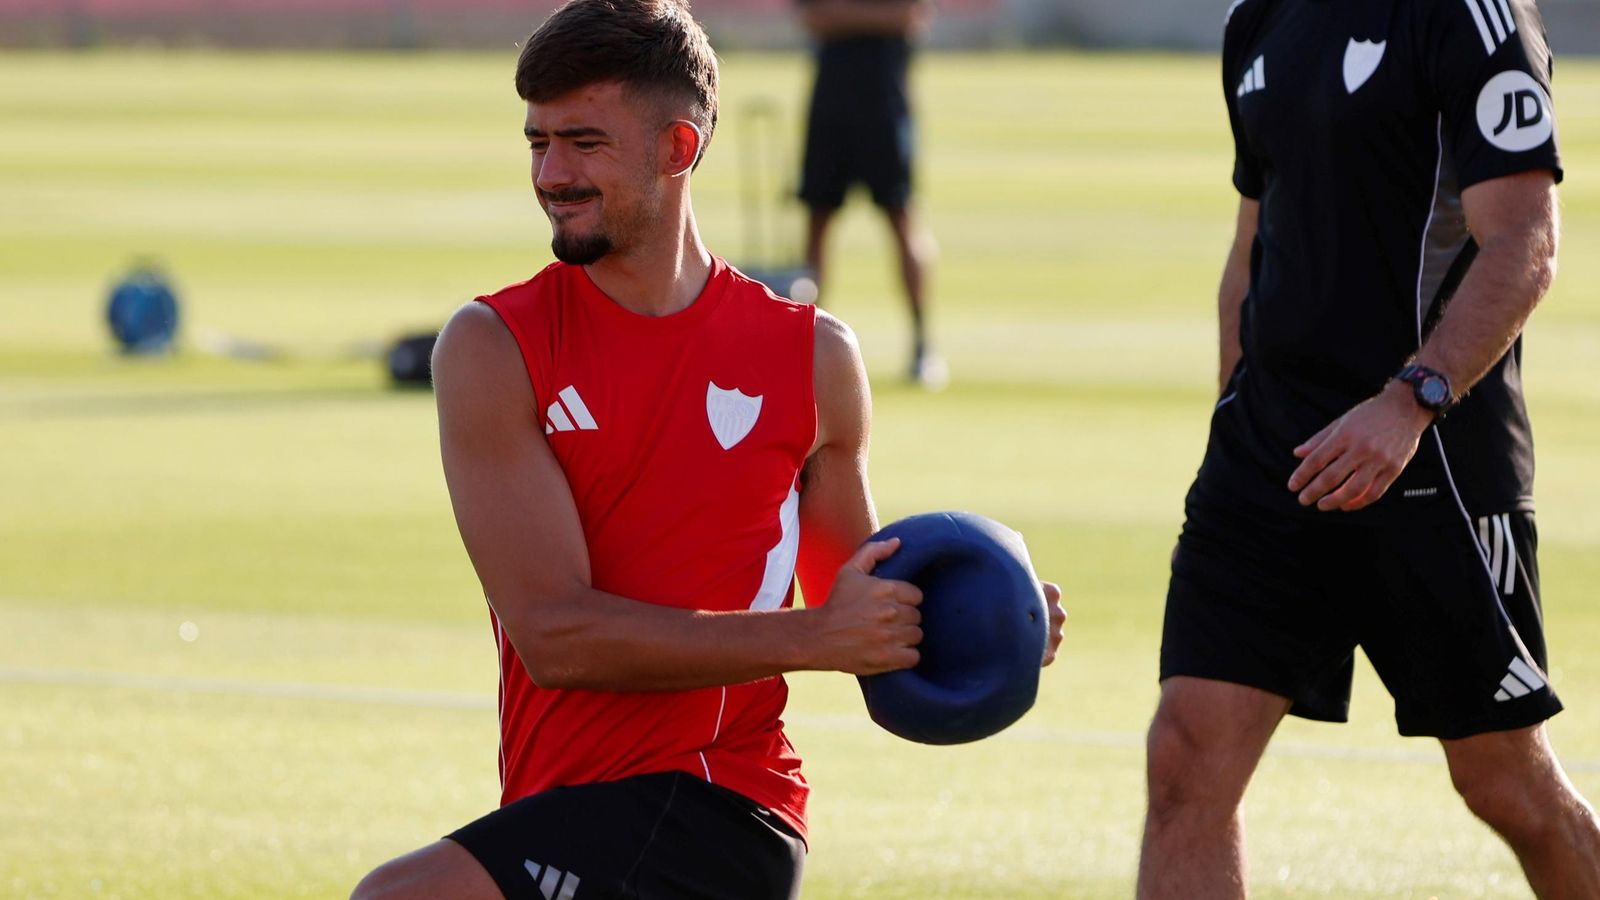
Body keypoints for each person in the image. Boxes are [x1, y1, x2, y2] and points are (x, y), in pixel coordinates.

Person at [350, 3, 1065, 898]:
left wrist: (990, 619)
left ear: (678, 149)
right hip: (567, 804)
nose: (551, 174)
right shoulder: (495, 347)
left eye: (583, 143)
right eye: (537, 142)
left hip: (722, 804)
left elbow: (868, 613)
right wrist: (824, 633)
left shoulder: (813, 360)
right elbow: (557, 637)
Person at [1138, 0, 1600, 896]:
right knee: (1187, 761)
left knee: (1503, 781)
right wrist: (1233, 418)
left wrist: (1408, 401)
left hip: (1436, 461)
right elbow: (1252, 245)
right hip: (1267, 457)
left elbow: (1525, 241)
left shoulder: (1476, 19)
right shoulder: (1260, 19)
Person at [795, 0, 945, 389]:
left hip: (885, 99)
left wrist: (846, 16)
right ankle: (804, 346)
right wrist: (874, 20)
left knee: (902, 218)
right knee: (817, 225)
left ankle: (922, 345)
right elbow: (814, 18)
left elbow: (912, 18)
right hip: (832, 100)